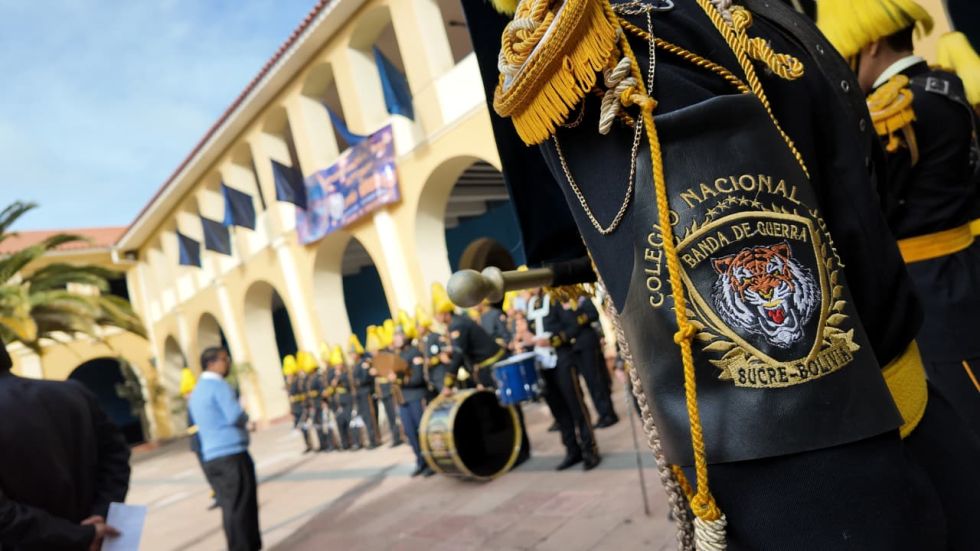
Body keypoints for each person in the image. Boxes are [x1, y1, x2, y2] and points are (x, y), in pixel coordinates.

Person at [461, 0, 980, 547]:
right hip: (925, 443)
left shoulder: (614, 46)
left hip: (855, 493)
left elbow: (784, 417)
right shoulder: (758, 13)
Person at [818, 2, 980, 547]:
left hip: (933, 290)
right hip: (958, 270)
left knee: (966, 423)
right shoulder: (946, 85)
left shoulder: (895, 108)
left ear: (868, 44)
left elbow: (870, 207)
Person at [0, 338, 129, 551]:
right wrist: (101, 513)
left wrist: (80, 536)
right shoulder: (74, 392)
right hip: (102, 540)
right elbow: (116, 454)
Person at [433, 283, 532, 466]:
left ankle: (522, 450)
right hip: (486, 370)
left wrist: (448, 384)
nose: (436, 318)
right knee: (498, 412)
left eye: (437, 314)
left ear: (444, 313)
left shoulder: (458, 326)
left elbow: (458, 357)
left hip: (495, 368)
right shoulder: (456, 325)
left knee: (509, 409)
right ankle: (512, 450)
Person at [188, 347, 261, 551]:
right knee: (243, 506)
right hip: (231, 453)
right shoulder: (218, 386)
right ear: (212, 363)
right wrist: (244, 412)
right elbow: (234, 415)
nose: (227, 363)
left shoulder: (197, 391)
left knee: (230, 507)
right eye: (224, 359)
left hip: (212, 455)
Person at [531, 289, 601, 471]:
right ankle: (572, 450)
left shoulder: (556, 299)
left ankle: (590, 450)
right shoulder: (532, 305)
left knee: (576, 406)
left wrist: (553, 341)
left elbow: (572, 327)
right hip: (543, 366)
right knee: (559, 411)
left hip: (562, 359)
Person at [391, 322, 434, 477]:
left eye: (398, 335)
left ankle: (430, 462)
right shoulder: (397, 356)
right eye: (395, 336)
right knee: (410, 432)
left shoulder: (414, 352)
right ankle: (420, 461)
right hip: (403, 400)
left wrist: (399, 379)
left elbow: (417, 378)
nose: (395, 339)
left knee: (421, 430)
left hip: (416, 396)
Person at [566, 296, 618, 428]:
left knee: (597, 380)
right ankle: (602, 413)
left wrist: (576, 322)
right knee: (590, 383)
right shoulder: (563, 302)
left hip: (588, 344)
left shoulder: (581, 297)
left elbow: (592, 314)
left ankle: (609, 414)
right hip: (577, 347)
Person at [367, 326, 403, 447]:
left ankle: (400, 436)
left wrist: (377, 372)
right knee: (390, 416)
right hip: (382, 391)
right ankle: (395, 437)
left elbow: (389, 372)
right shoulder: (373, 359)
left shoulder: (386, 356)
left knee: (395, 414)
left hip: (390, 389)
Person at [349, 343, 381, 450]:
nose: (352, 355)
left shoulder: (364, 363)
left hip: (366, 393)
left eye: (353, 353)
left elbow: (365, 378)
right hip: (360, 395)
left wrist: (358, 382)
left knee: (370, 417)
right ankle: (371, 439)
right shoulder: (355, 364)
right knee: (365, 418)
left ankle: (375, 439)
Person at [325, 347, 355, 451]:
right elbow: (330, 387)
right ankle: (344, 443)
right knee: (340, 423)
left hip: (346, 399)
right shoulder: (331, 374)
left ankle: (353, 442)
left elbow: (349, 385)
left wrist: (340, 377)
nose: (338, 366)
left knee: (349, 422)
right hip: (337, 402)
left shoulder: (346, 372)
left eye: (339, 364)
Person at [283, 355, 312, 453]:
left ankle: (310, 444)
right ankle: (307, 444)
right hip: (295, 407)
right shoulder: (289, 383)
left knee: (304, 426)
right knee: (300, 427)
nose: (288, 375)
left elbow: (303, 393)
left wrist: (305, 406)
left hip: (300, 405)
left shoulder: (298, 381)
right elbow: (289, 397)